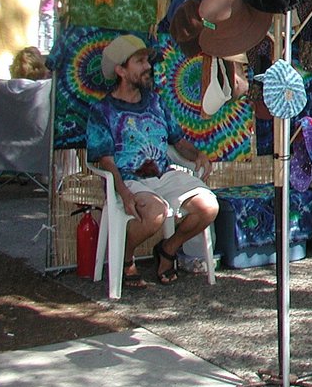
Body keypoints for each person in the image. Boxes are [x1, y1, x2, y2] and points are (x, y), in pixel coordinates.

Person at [86, 35, 217, 289]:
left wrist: (198, 154)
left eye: (148, 60)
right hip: (129, 178)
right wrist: (122, 191)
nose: (148, 66)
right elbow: (106, 160)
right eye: (140, 61)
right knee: (155, 214)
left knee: (209, 206)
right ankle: (124, 258)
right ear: (121, 71)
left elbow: (178, 142)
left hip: (163, 175)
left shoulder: (156, 101)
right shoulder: (102, 111)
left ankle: (168, 250)